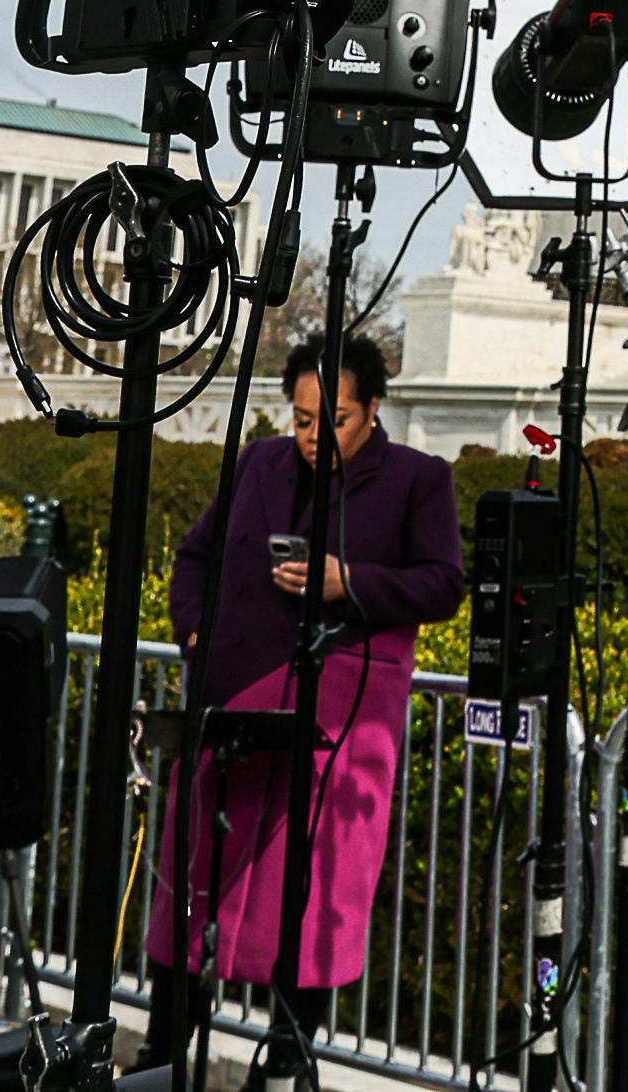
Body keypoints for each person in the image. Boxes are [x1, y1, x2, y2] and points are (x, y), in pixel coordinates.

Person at [145, 332, 465, 1076]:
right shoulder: (259, 461)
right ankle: (162, 1056)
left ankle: (284, 1065)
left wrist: (348, 582)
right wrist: (193, 635)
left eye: (336, 420)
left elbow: (443, 584)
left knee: (312, 893)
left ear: (373, 409)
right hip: (233, 701)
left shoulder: (418, 479)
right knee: (195, 883)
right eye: (303, 419)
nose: (316, 435)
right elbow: (195, 557)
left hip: (338, 720)